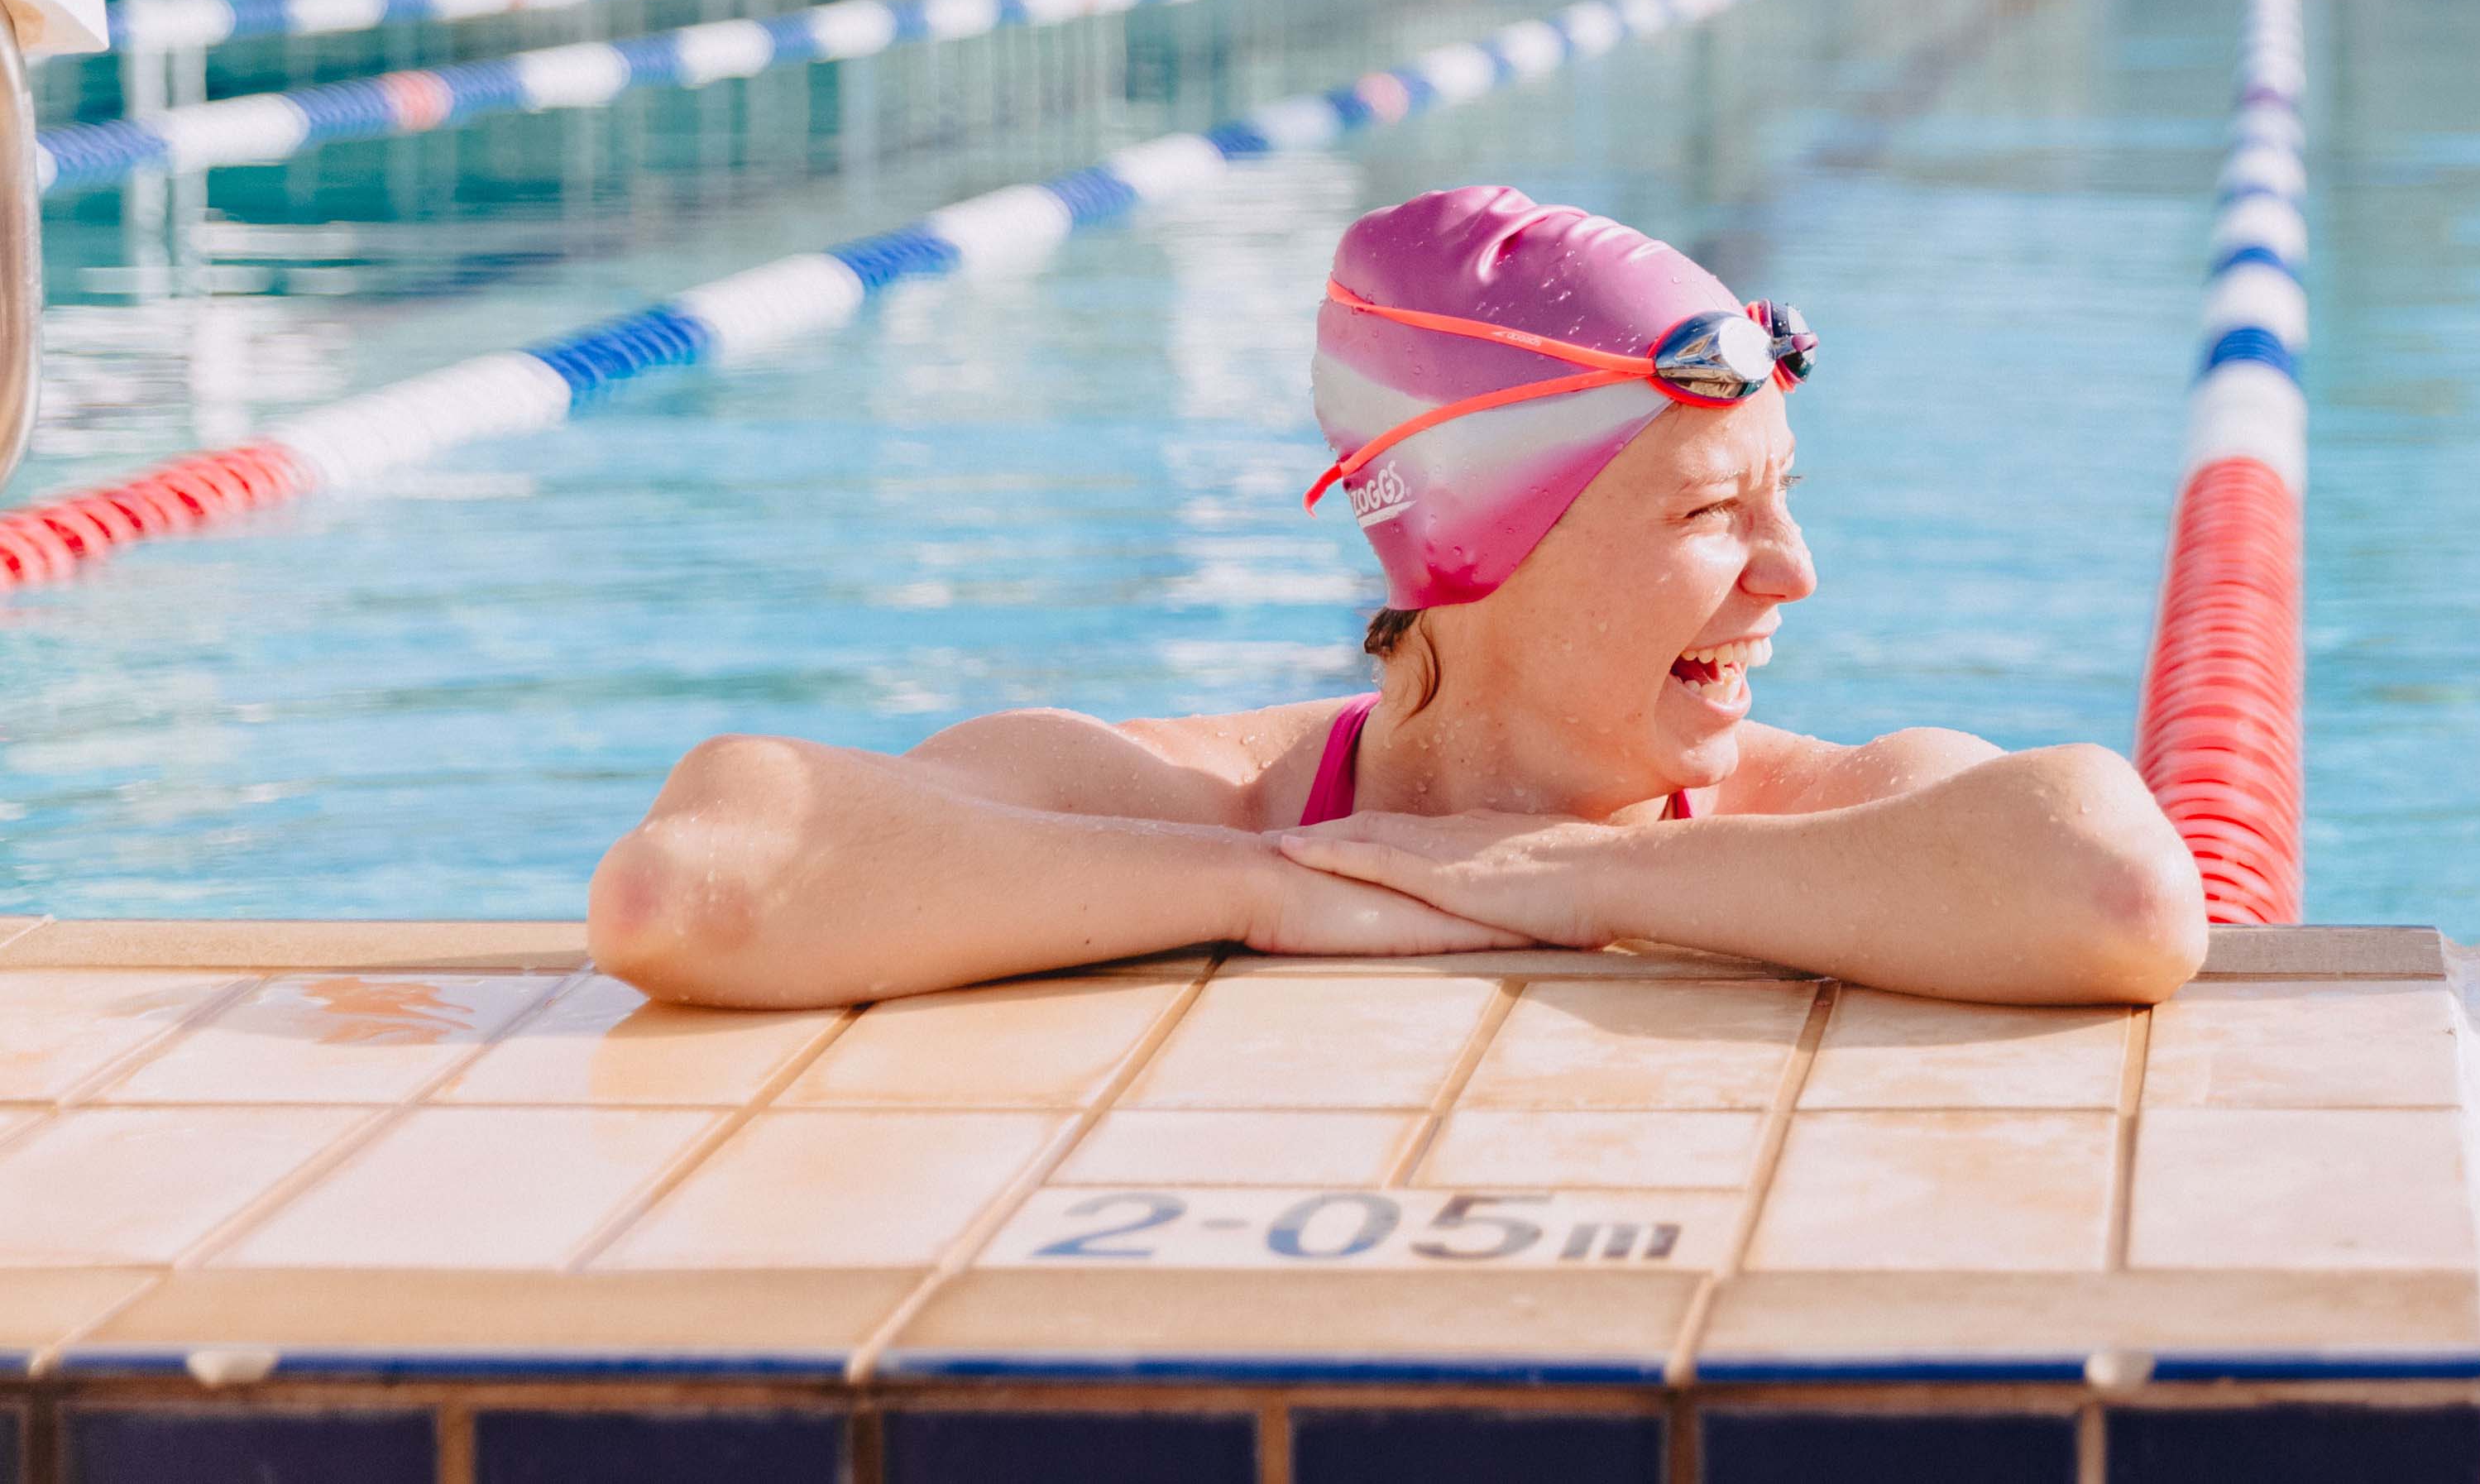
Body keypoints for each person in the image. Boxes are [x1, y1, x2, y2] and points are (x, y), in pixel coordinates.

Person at [594, 186, 2206, 1010]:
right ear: (1471, 550)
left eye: (1785, 500)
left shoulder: (1827, 815)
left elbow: (2119, 894)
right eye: (1718, 510)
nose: (1795, 576)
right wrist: (1270, 893)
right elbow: (695, 885)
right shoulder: (1212, 808)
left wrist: (1572, 884)